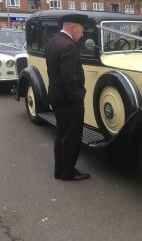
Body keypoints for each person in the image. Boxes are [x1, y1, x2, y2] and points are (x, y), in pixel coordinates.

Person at [45, 13, 90, 181]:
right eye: (82, 29)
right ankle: (68, 172)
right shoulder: (69, 46)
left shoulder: (53, 41)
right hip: (69, 100)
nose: (83, 33)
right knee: (72, 136)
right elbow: (69, 78)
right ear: (73, 27)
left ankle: (60, 170)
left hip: (57, 96)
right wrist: (79, 95)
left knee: (62, 134)